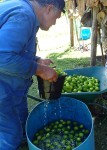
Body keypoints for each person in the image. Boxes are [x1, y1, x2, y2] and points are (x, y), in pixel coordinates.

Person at [0, 0, 65, 149]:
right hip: (3, 86)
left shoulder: (23, 10)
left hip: (12, 84)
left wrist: (37, 60)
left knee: (21, 116)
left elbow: (15, 49)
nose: (54, 23)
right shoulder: (24, 15)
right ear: (49, 9)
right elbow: (3, 57)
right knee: (9, 132)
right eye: (56, 18)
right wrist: (40, 70)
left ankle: (24, 139)